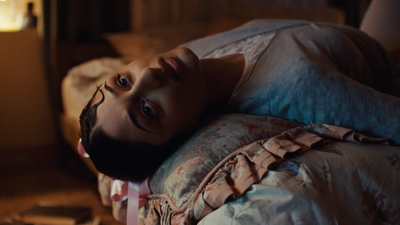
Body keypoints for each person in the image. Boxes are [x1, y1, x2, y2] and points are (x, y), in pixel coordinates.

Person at [79, 19, 400, 182]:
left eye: (122, 81)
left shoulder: (191, 59)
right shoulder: (295, 86)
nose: (148, 77)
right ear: (187, 132)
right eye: (147, 110)